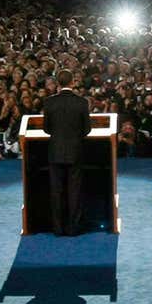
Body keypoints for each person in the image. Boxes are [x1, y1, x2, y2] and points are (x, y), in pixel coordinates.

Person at [42, 69, 91, 236]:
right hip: (75, 152)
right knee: (74, 191)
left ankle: (58, 228)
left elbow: (46, 129)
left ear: (58, 83)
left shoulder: (49, 102)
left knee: (56, 191)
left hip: (55, 152)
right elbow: (87, 129)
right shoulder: (82, 102)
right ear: (73, 82)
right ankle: (73, 229)